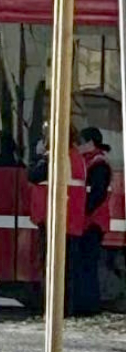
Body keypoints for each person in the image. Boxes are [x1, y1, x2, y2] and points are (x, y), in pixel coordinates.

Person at [28, 124, 87, 316]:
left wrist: (39, 154)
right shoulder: (77, 157)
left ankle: (53, 311)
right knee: (67, 269)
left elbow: (33, 175)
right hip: (72, 220)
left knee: (51, 266)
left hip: (55, 219)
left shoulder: (55, 156)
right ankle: (64, 309)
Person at [77, 127, 111, 315]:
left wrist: (82, 211)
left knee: (87, 265)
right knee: (86, 264)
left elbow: (96, 194)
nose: (77, 146)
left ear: (90, 143)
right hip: (90, 221)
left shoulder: (98, 164)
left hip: (92, 222)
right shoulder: (93, 161)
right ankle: (86, 304)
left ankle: (88, 306)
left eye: (80, 142)